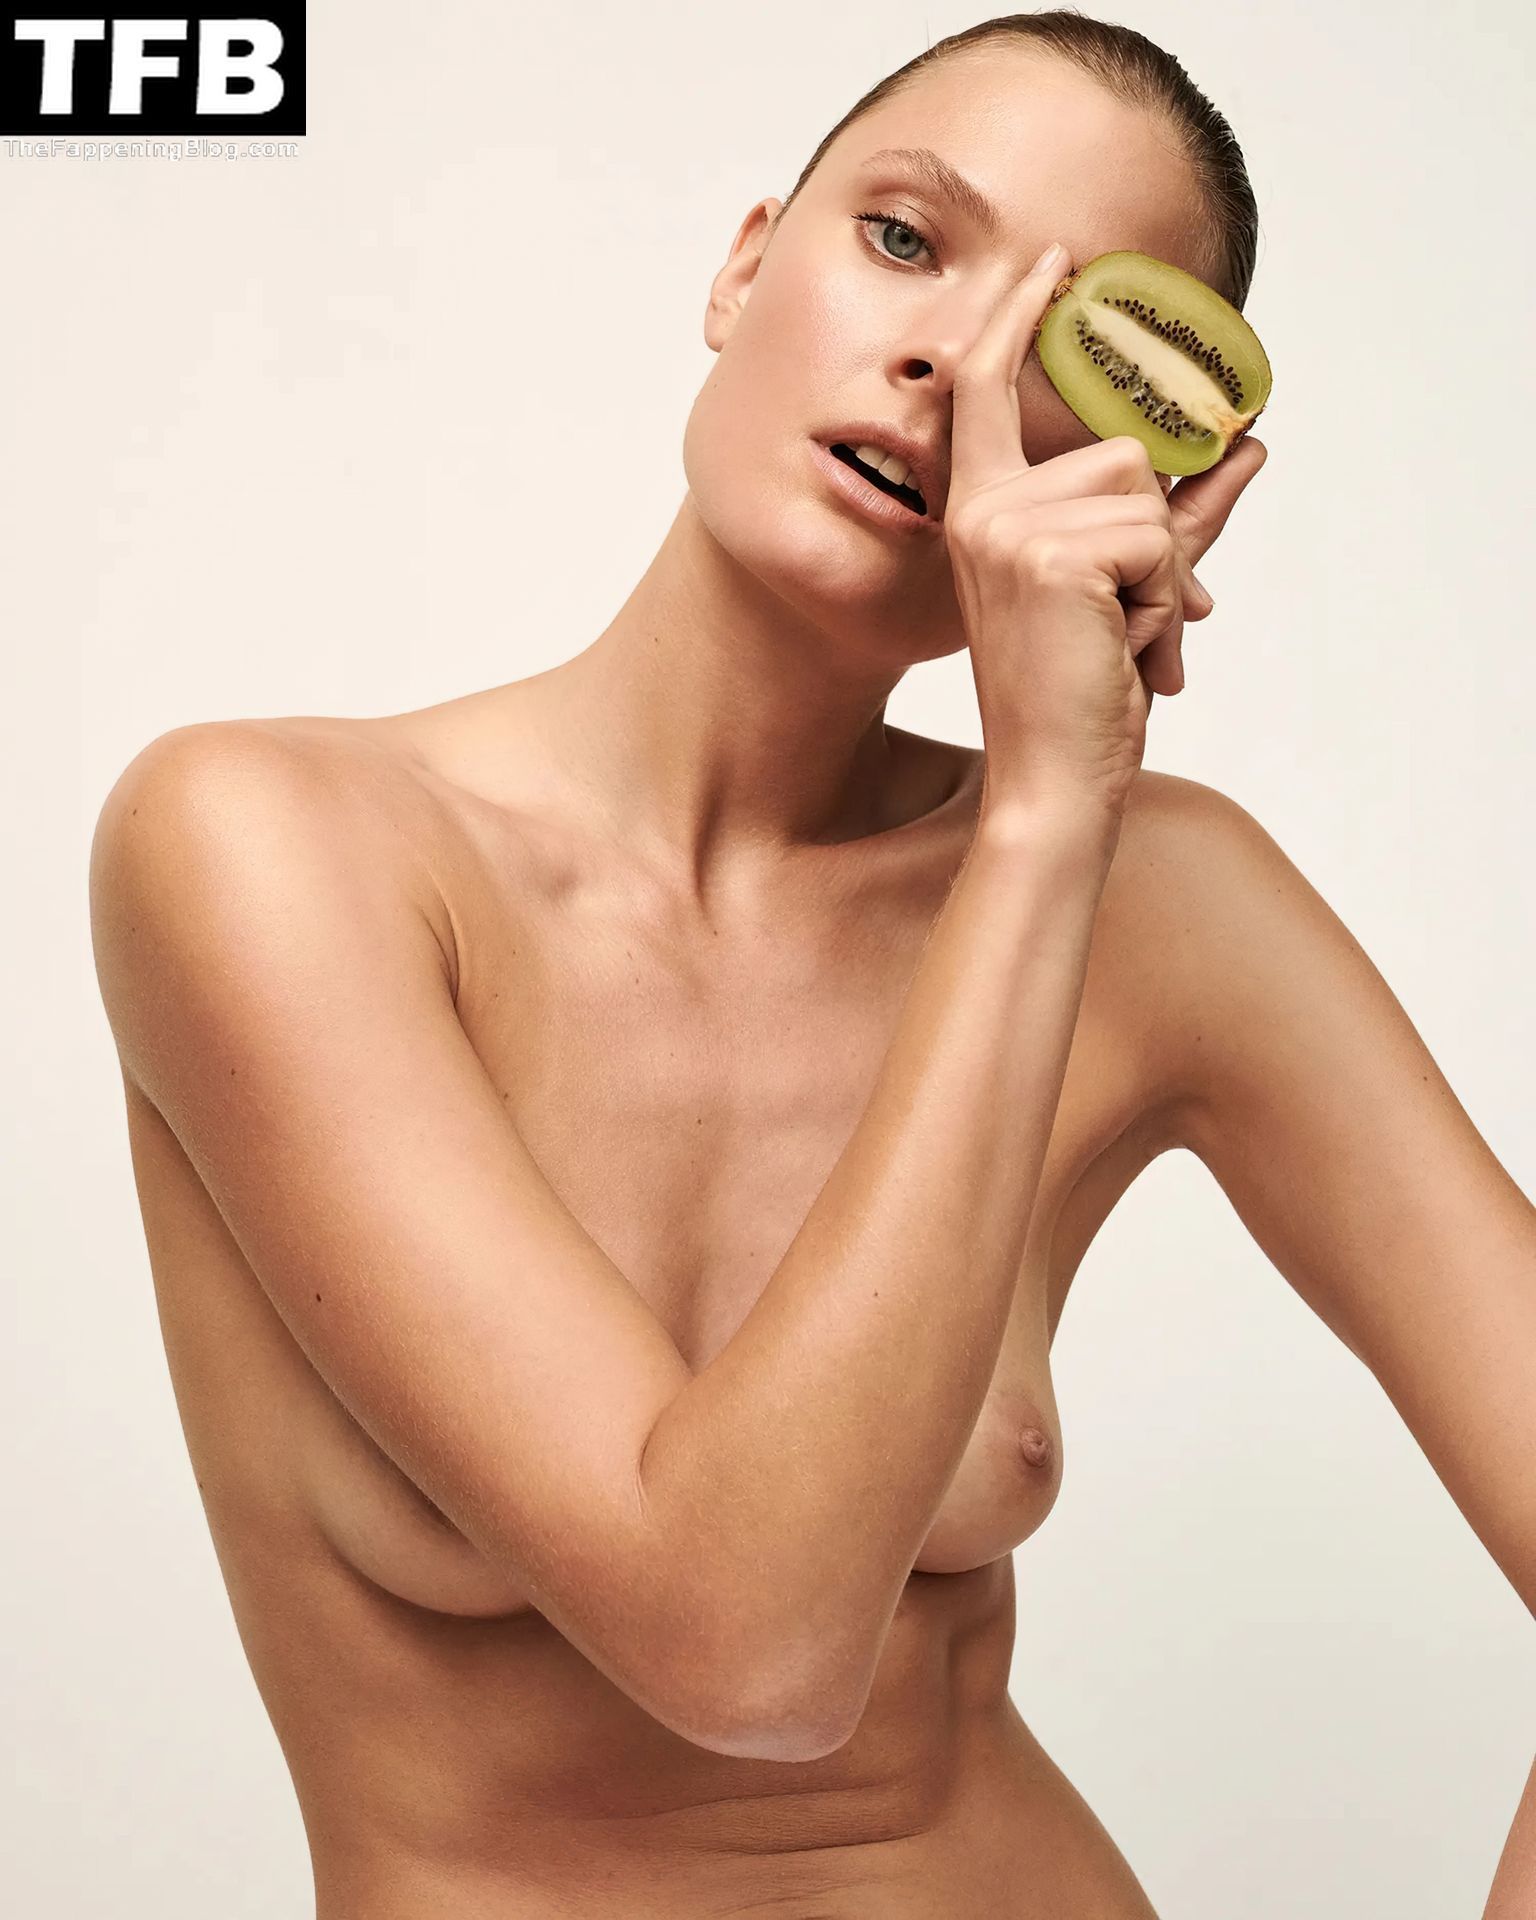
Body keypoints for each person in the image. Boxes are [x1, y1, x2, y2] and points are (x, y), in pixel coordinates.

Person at [87, 12, 1535, 1917]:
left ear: (1142, 471)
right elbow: (744, 1647)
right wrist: (1043, 821)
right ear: (745, 267)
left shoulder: (1164, 902)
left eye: (1076, 345)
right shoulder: (269, 848)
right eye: (907, 241)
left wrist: (1059, 823)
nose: (951, 361)